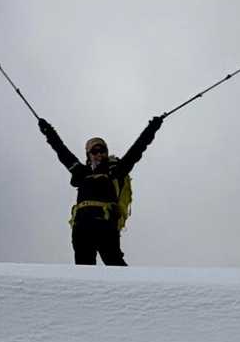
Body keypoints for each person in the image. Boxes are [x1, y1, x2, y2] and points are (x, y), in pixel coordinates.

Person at [37, 114, 163, 265]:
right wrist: (48, 131)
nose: (99, 154)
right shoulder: (81, 172)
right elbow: (61, 150)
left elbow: (138, 148)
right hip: (82, 226)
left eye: (102, 150)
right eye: (94, 151)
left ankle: (133, 282)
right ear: (88, 155)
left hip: (106, 224)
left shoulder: (116, 170)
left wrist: (152, 127)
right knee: (84, 268)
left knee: (114, 264)